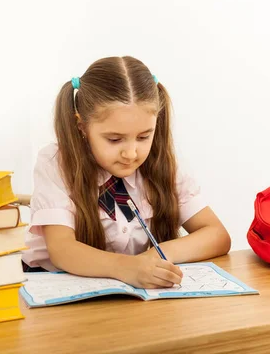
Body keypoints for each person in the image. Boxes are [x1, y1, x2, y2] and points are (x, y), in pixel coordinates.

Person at [20, 56, 231, 289]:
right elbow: (62, 250)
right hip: (52, 285)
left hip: (130, 291)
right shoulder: (56, 162)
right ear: (82, 127)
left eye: (143, 137)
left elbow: (217, 235)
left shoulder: (164, 163)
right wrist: (125, 267)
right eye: (114, 139)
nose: (131, 153)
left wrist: (157, 256)